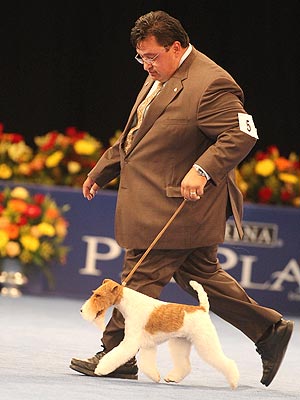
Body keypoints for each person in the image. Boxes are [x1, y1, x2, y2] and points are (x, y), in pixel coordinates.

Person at [70, 10, 293, 386]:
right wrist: (102, 170)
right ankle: (269, 331)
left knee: (137, 274)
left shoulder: (212, 83)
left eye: (152, 56)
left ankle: (116, 354)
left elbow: (241, 135)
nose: (146, 65)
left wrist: (203, 169)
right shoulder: (159, 74)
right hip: (163, 202)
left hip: (177, 205)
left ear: (177, 47)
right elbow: (136, 137)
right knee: (201, 276)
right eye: (140, 57)